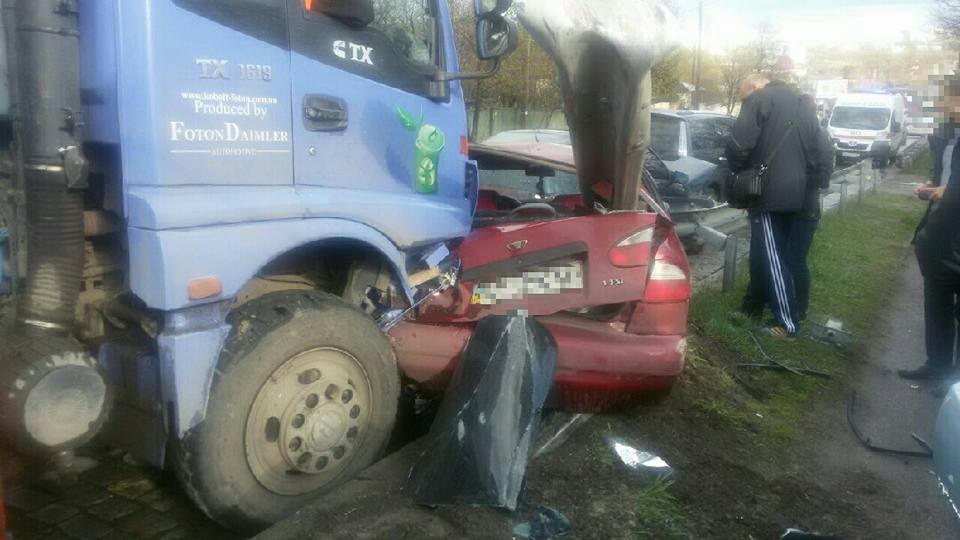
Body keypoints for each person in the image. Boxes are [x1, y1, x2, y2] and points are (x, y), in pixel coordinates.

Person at [727, 75, 821, 337]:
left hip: (769, 193)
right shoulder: (803, 104)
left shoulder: (758, 99)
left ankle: (786, 323)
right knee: (778, 255)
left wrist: (738, 171)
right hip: (798, 192)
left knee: (772, 258)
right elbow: (816, 153)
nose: (744, 100)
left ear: (754, 88)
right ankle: (756, 308)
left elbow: (738, 145)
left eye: (743, 94)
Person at [899, 76, 960, 381]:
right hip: (939, 233)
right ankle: (937, 366)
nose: (939, 105)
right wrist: (932, 187)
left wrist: (945, 192)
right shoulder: (946, 135)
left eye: (944, 99)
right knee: (937, 305)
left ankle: (955, 385)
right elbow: (945, 177)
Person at [789, 94, 834, 323]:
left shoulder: (817, 137)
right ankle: (789, 304)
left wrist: (794, 177)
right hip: (794, 207)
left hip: (803, 209)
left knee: (795, 260)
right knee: (791, 259)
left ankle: (798, 311)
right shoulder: (812, 135)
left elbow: (823, 179)